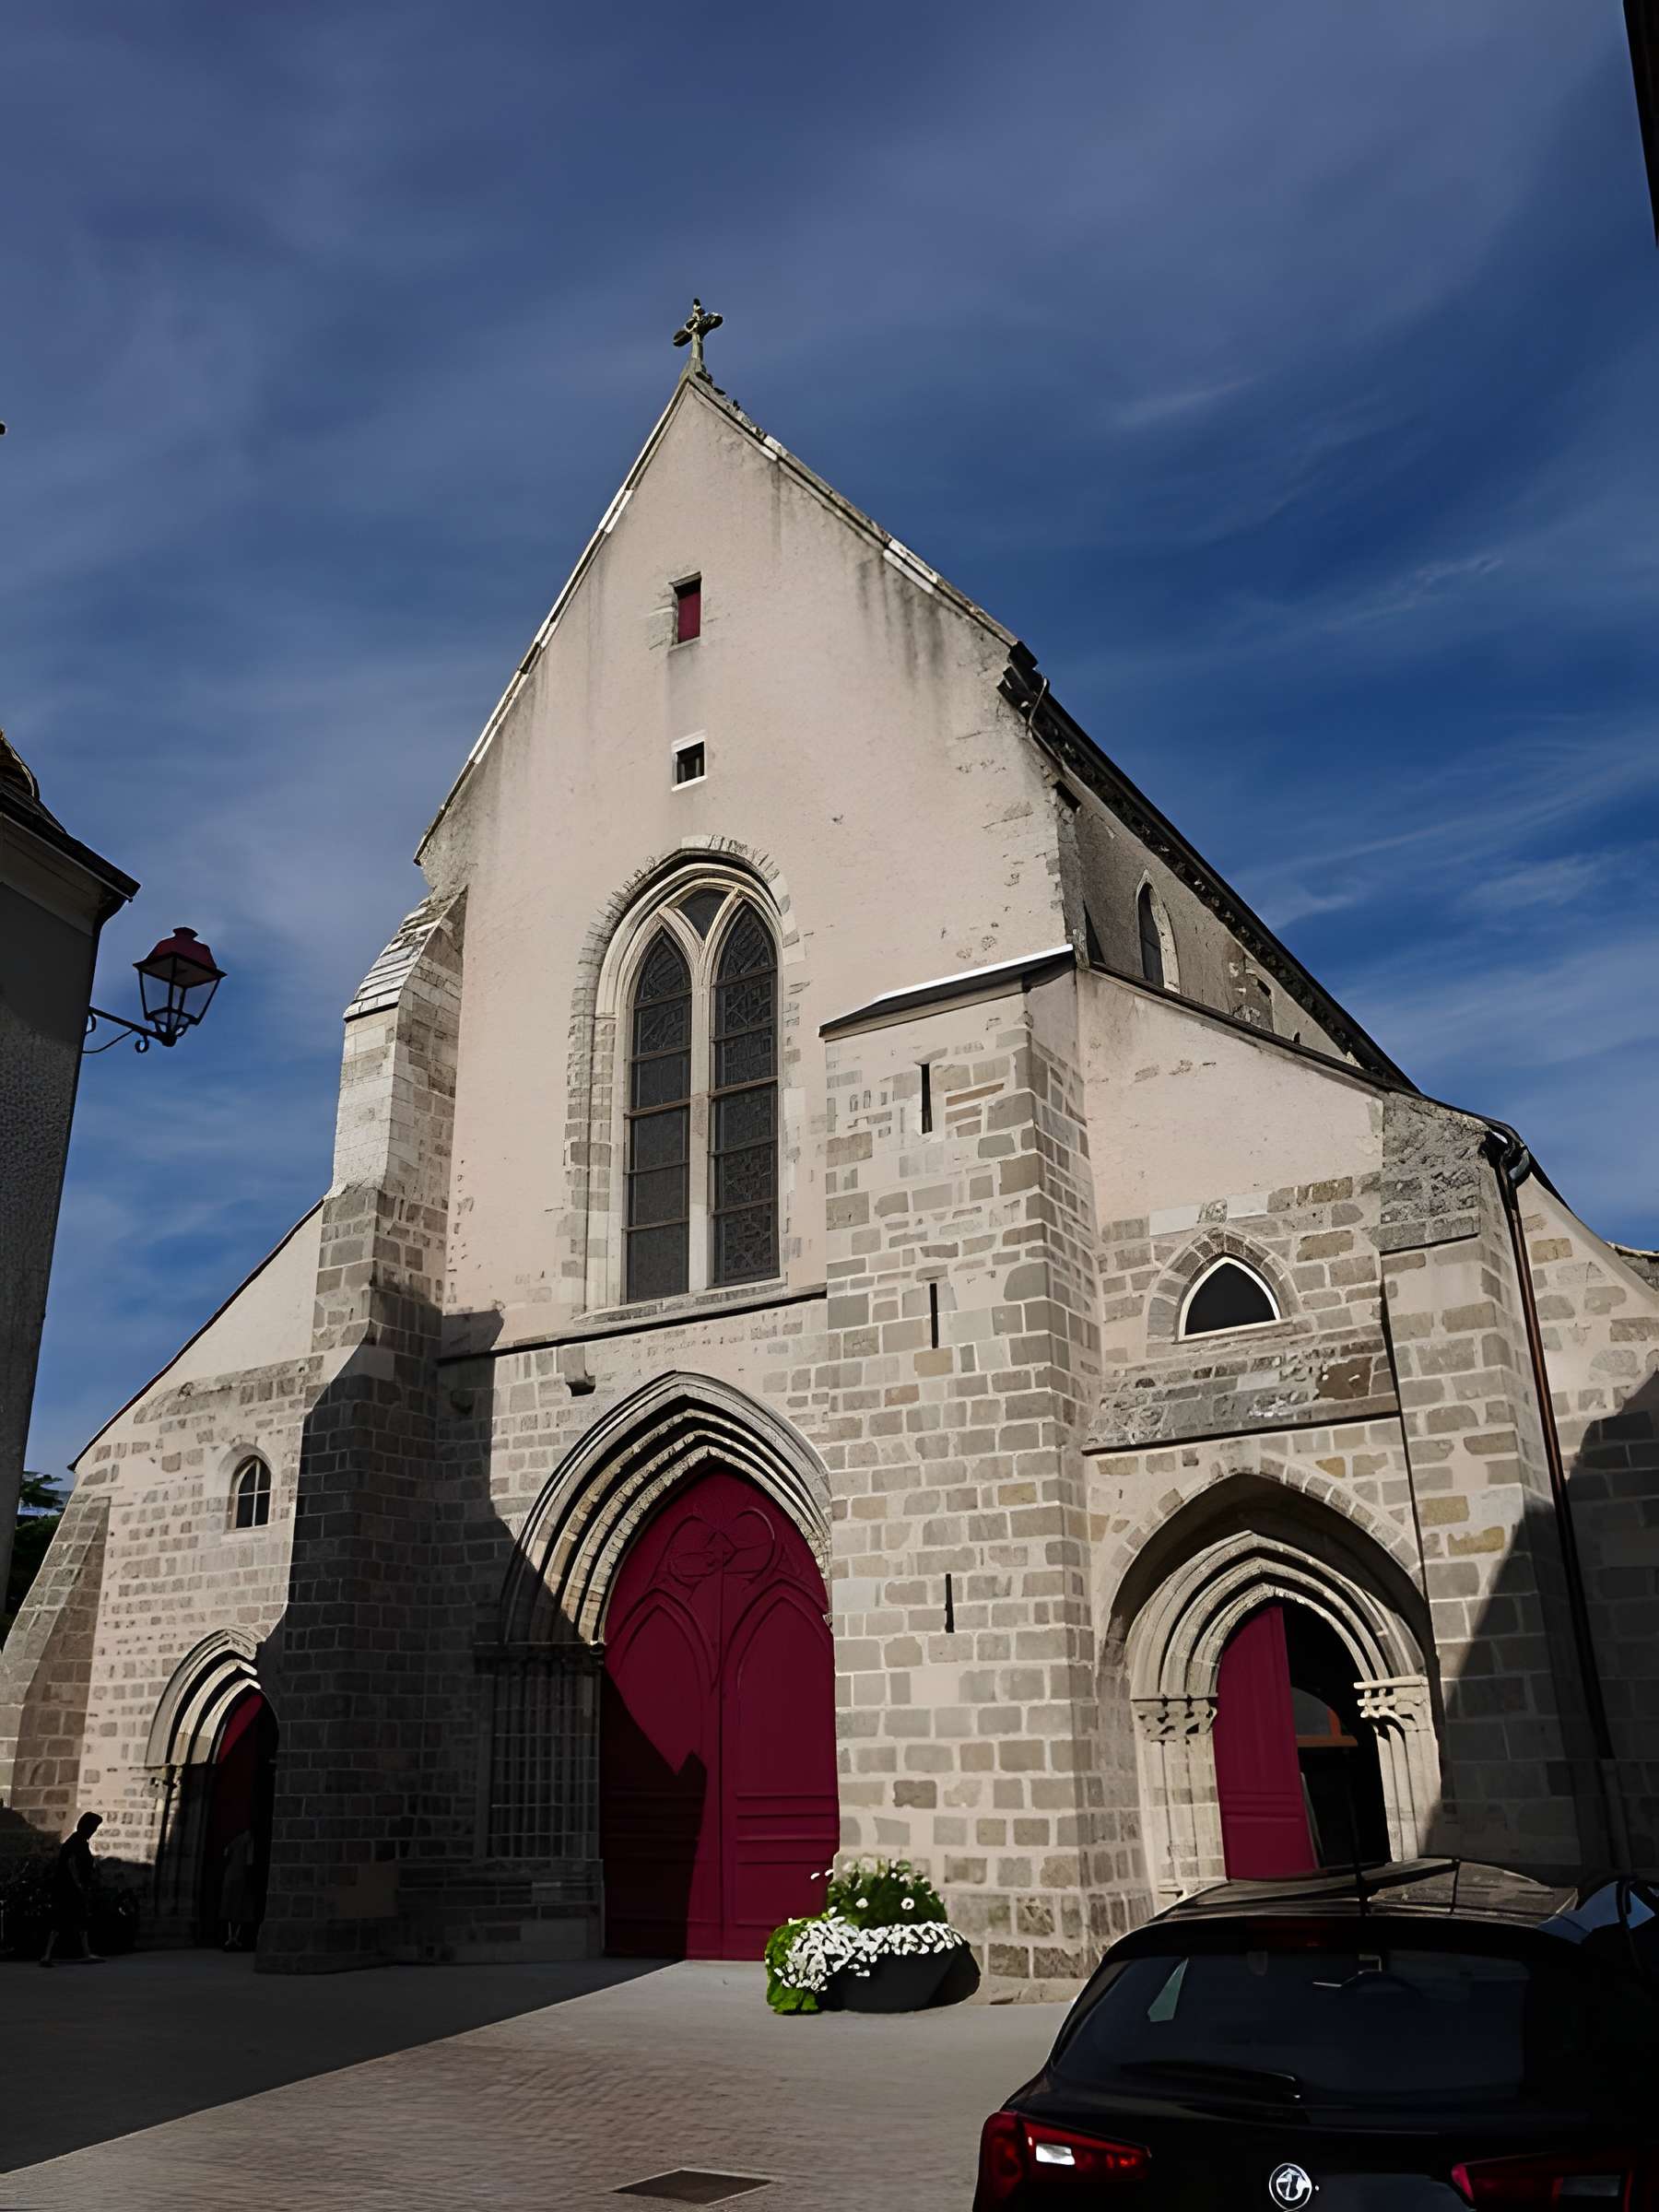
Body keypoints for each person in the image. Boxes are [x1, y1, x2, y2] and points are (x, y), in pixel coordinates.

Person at [39, 1811, 104, 1967]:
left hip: (72, 1887)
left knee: (79, 1920)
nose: (95, 1830)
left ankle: (84, 1953)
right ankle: (47, 1955)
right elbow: (71, 1864)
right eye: (94, 1827)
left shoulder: (80, 1841)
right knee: (62, 1919)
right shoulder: (75, 1841)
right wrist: (79, 1884)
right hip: (69, 1888)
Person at [218, 1827, 257, 1951]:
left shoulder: (235, 1841)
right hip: (241, 1877)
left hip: (230, 1876)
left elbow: (225, 1853)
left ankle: (230, 1938)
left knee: (229, 1908)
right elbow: (250, 1861)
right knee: (240, 1908)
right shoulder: (249, 1840)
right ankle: (235, 1939)